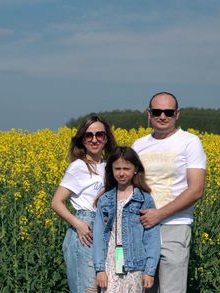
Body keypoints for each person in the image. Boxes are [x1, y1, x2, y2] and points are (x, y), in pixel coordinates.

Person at [132, 92, 207, 293]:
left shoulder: (190, 142)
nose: (162, 116)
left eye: (168, 112)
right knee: (141, 288)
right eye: (157, 112)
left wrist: (159, 214)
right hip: (142, 227)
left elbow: (196, 190)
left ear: (177, 114)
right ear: (149, 114)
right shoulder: (139, 145)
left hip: (174, 226)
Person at [51, 115, 117, 293]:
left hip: (107, 231)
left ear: (106, 137)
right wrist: (78, 224)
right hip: (85, 232)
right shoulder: (79, 167)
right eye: (89, 135)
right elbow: (56, 202)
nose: (94, 140)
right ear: (82, 139)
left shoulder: (110, 166)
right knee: (87, 289)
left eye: (99, 135)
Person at [93, 146, 161, 293]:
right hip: (109, 263)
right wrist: (99, 269)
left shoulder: (144, 199)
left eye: (126, 168)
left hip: (135, 264)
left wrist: (149, 270)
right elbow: (98, 236)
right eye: (117, 169)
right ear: (111, 170)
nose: (122, 173)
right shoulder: (104, 200)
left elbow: (152, 238)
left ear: (135, 169)